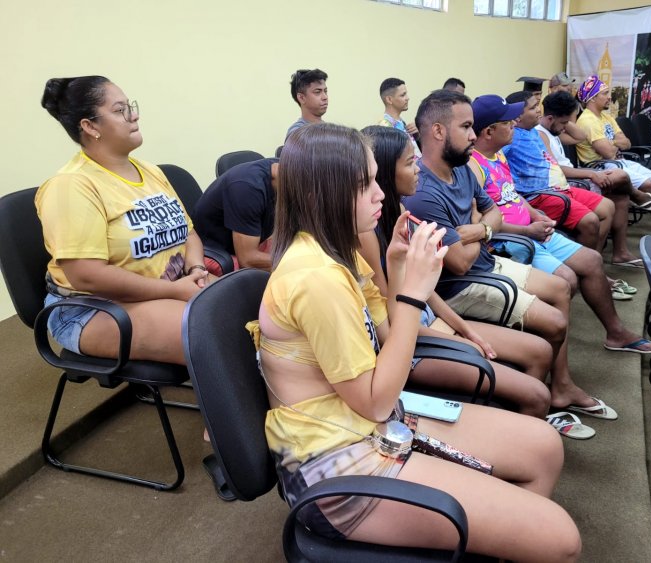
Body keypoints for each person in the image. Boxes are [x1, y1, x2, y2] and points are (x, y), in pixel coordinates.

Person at [248, 122, 581, 560]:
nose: (380, 194)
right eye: (364, 184)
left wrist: (396, 265)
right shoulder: (316, 279)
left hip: (368, 423)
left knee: (544, 447)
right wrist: (412, 294)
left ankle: (501, 538)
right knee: (561, 539)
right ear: (319, 195)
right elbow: (375, 402)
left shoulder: (335, 253)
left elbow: (385, 336)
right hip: (337, 465)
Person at [402, 89, 614, 425]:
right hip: (460, 286)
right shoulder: (423, 193)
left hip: (487, 262)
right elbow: (459, 263)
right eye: (466, 127)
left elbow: (493, 214)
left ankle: (559, 386)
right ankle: (528, 410)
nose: (473, 135)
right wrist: (480, 226)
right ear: (438, 131)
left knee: (562, 287)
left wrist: (476, 229)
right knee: (555, 322)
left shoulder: (461, 170)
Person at [360, 125, 553, 417]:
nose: (418, 171)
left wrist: (466, 329)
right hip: (409, 341)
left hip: (427, 319)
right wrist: (460, 341)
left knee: (540, 351)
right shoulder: (367, 235)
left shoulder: (399, 212)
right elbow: (393, 322)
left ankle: (509, 421)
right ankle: (513, 432)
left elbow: (424, 291)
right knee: (535, 394)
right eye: (411, 163)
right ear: (387, 173)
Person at [37, 76, 209, 365]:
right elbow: (87, 275)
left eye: (130, 106)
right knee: (214, 333)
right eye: (120, 110)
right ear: (90, 127)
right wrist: (175, 290)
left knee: (261, 313)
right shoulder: (72, 185)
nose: (134, 115)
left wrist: (196, 268)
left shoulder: (151, 171)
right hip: (91, 308)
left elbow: (189, 234)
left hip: (168, 286)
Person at [468, 94, 651, 356]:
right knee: (567, 280)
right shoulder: (473, 166)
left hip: (533, 230)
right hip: (512, 242)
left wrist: (535, 215)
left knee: (591, 260)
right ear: (489, 131)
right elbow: (481, 224)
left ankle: (616, 334)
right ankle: (549, 359)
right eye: (507, 122)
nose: (514, 123)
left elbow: (512, 194)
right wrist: (528, 229)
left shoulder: (497, 156)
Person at [537, 91, 651, 268]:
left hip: (575, 174)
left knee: (621, 196)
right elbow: (555, 169)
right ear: (550, 118)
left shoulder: (553, 130)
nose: (566, 126)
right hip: (568, 181)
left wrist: (564, 121)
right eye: (564, 122)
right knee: (621, 178)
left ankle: (619, 253)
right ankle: (638, 196)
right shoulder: (541, 134)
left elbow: (580, 136)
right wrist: (591, 174)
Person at [503, 90, 614, 254]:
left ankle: (594, 262)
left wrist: (564, 119)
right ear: (517, 117)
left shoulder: (532, 130)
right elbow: (492, 158)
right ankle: (587, 270)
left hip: (560, 189)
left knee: (608, 207)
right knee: (590, 221)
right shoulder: (510, 136)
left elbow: (578, 136)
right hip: (538, 195)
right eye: (533, 108)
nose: (539, 111)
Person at [575, 75, 651, 202]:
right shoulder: (587, 120)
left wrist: (611, 143)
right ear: (592, 98)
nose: (609, 97)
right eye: (605, 93)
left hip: (619, 161)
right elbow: (608, 153)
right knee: (648, 185)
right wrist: (615, 143)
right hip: (602, 167)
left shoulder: (606, 117)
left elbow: (627, 143)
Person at [192, 158, 279, 272]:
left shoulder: (287, 168)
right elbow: (247, 260)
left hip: (255, 240)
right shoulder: (247, 188)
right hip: (216, 252)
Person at [377, 77, 421, 157]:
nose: (407, 98)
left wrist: (417, 135)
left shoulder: (400, 122)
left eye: (406, 94)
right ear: (389, 99)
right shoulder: (385, 128)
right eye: (403, 95)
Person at [285, 68, 328, 141]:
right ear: (301, 98)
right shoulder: (296, 133)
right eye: (317, 92)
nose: (325, 97)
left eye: (325, 91)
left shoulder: (330, 130)